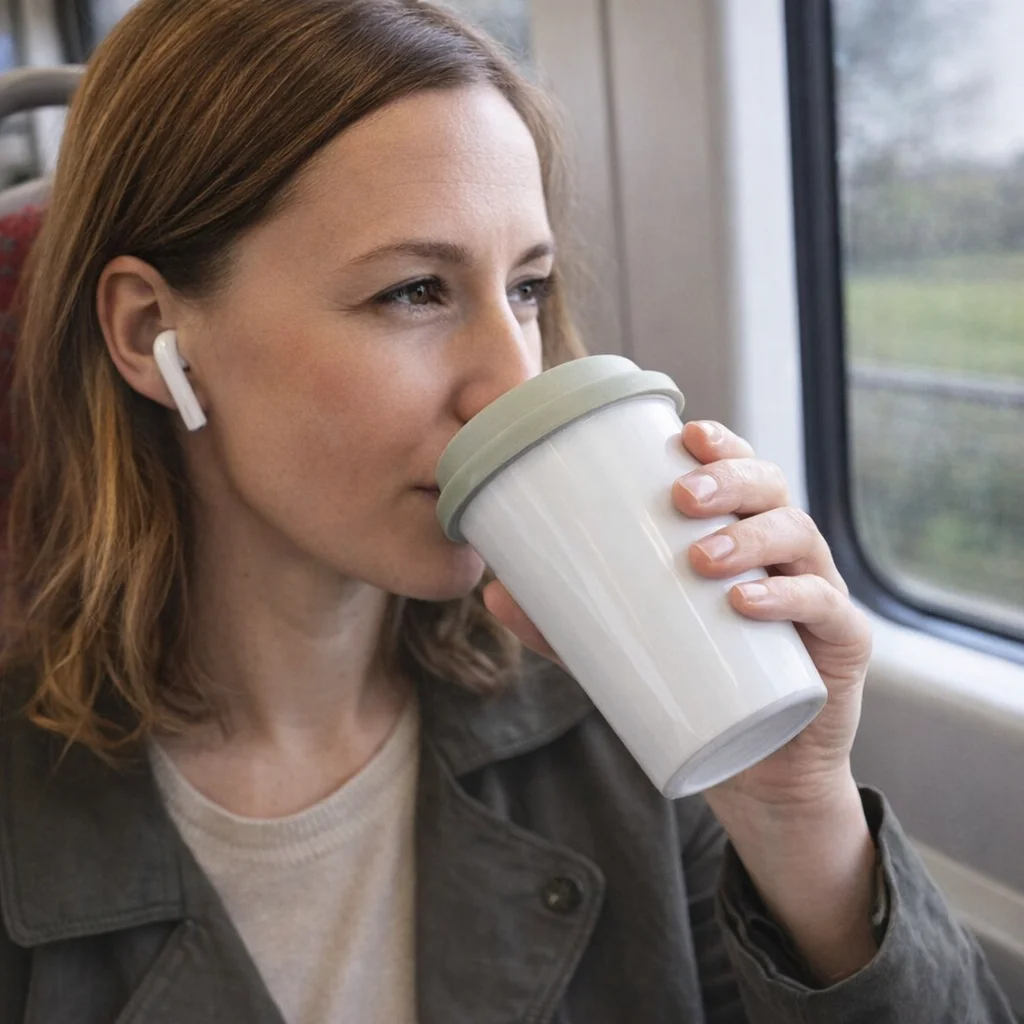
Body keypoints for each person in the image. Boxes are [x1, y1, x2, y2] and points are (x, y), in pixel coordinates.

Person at [0, 1, 1014, 1022]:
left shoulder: (620, 716)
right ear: (152, 334)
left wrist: (797, 810)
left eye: (526, 287)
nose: (514, 378)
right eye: (411, 292)